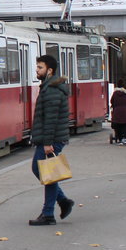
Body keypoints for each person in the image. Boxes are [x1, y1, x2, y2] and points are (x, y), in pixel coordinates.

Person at [28, 54, 75, 226]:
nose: (37, 70)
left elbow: (51, 119)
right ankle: (63, 201)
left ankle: (48, 214)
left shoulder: (53, 90)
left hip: (52, 139)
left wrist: (47, 142)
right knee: (45, 172)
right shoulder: (48, 87)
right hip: (51, 138)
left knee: (48, 174)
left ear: (50, 70)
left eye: (40, 67)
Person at [109, 79, 126, 145]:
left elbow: (111, 101)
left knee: (118, 126)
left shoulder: (115, 94)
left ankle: (120, 138)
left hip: (117, 113)